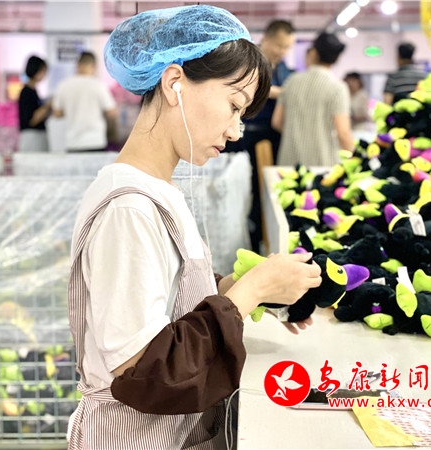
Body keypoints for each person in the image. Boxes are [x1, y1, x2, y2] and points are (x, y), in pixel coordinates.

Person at [66, 5, 322, 449]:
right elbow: (144, 372)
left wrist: (237, 289)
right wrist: (247, 295)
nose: (236, 131)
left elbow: (165, 299)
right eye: (234, 106)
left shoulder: (158, 190)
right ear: (174, 84)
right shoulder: (129, 209)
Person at [225, 19, 296, 252]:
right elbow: (248, 88)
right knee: (239, 190)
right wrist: (284, 92)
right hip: (243, 138)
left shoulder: (284, 70)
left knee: (265, 193)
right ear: (266, 38)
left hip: (272, 138)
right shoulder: (248, 60)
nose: (282, 51)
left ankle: (261, 241)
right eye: (279, 45)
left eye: (287, 47)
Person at [272, 32, 353, 168]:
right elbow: (343, 133)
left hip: (289, 165)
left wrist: (297, 134)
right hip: (323, 166)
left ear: (314, 52)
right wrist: (354, 158)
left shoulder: (291, 81)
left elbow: (277, 122)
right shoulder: (338, 88)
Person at [52, 51, 118, 152]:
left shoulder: (63, 85)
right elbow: (112, 112)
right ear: (94, 66)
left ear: (78, 65)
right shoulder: (98, 85)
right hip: (95, 141)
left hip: (72, 143)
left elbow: (57, 113)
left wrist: (72, 110)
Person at [18, 55, 51, 153]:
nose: (45, 75)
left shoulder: (34, 91)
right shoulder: (26, 93)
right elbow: (32, 119)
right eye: (44, 71)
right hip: (32, 138)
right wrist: (47, 106)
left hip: (37, 137)